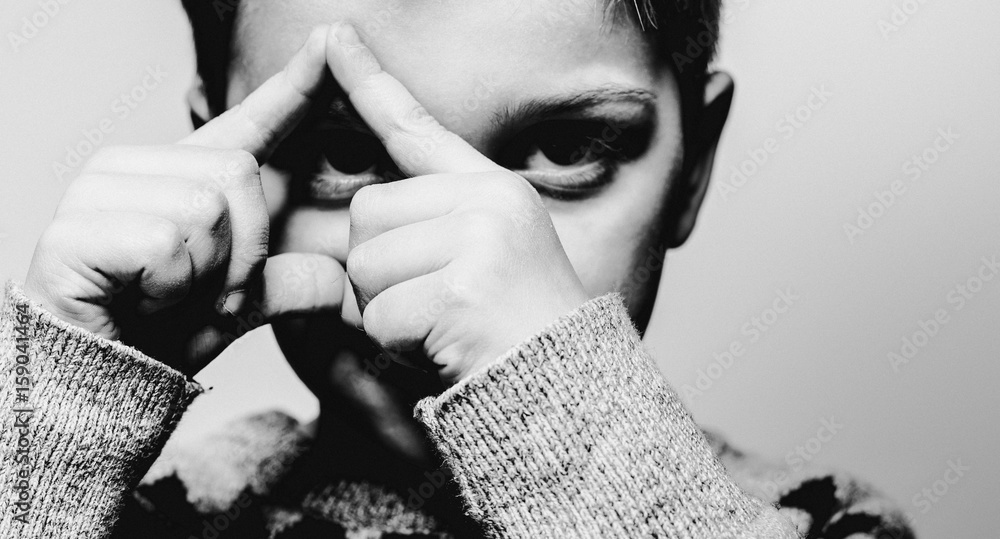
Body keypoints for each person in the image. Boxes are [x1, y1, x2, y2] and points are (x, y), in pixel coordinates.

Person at [0, 1, 914, 537]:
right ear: (211, 160)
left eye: (564, 146)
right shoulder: (148, 513)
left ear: (695, 166)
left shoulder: (820, 520)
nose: (462, 246)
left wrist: (571, 428)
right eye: (341, 150)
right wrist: (49, 434)